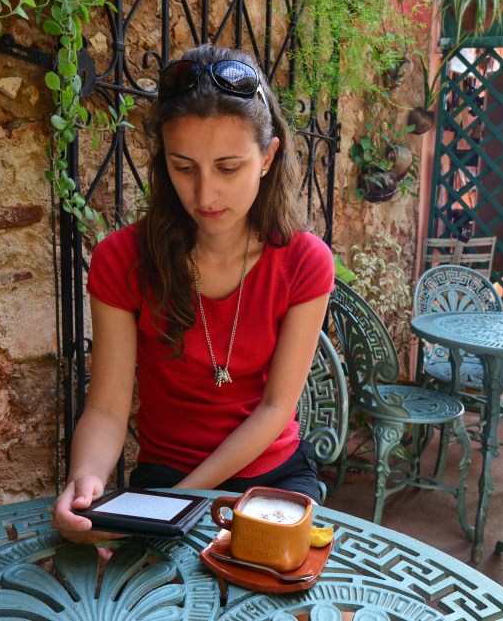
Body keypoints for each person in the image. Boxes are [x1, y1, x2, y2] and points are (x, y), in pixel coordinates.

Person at [53, 44, 334, 544]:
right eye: (185, 168)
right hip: (166, 473)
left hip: (270, 477)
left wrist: (175, 504)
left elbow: (275, 410)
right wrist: (86, 482)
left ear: (268, 158)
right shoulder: (122, 259)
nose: (204, 196)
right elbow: (107, 407)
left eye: (228, 168)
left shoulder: (304, 262)